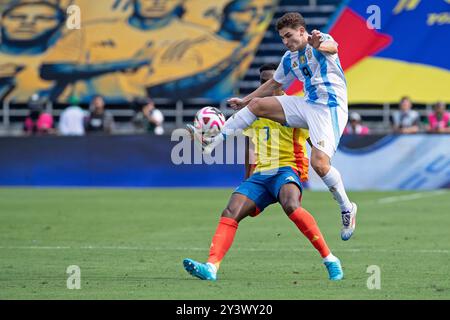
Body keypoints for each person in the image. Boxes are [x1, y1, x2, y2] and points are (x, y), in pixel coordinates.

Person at [194, 12, 357, 240]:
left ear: (302, 31)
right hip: (308, 104)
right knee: (258, 105)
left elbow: (331, 48)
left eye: (288, 36)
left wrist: (320, 44)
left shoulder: (320, 40)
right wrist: (245, 101)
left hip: (330, 108)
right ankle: (214, 140)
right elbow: (274, 83)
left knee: (320, 164)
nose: (285, 41)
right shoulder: (289, 58)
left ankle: (347, 207)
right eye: (282, 37)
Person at [183, 63, 344, 281]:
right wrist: (247, 183)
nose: (266, 85)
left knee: (291, 205)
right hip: (260, 176)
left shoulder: (298, 108)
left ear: (281, 83)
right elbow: (250, 147)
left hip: (288, 169)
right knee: (231, 211)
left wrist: (321, 160)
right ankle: (211, 267)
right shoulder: (254, 110)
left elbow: (316, 141)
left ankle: (330, 259)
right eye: (262, 82)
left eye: (270, 81)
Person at [0, 0, 66, 101]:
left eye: (42, 18)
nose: (28, 22)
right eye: (17, 17)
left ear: (60, 24)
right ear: (2, 20)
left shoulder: (63, 67)